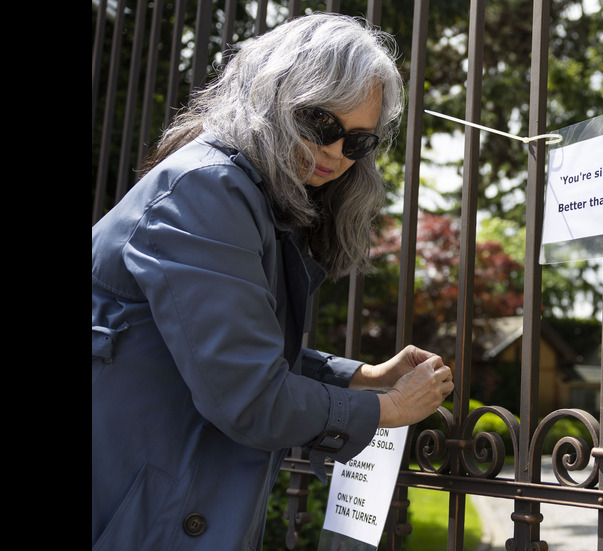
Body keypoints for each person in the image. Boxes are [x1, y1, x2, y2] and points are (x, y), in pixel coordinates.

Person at [92, 13, 453, 550]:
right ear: (271, 97)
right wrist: (386, 408)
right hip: (134, 516)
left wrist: (360, 377)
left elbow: (223, 351)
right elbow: (248, 395)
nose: (334, 153)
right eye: (320, 125)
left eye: (357, 142)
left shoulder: (244, 194)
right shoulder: (207, 191)